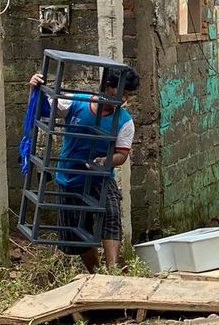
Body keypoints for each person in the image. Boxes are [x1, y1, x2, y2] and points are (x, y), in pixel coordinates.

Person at [28, 66, 139, 272]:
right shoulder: (75, 102)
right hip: (70, 177)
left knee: (112, 214)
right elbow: (45, 108)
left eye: (127, 95)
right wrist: (37, 87)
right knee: (75, 236)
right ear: (106, 87)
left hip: (100, 178)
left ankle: (112, 272)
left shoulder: (124, 121)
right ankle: (95, 274)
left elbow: (121, 155)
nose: (124, 99)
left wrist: (105, 161)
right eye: (120, 93)